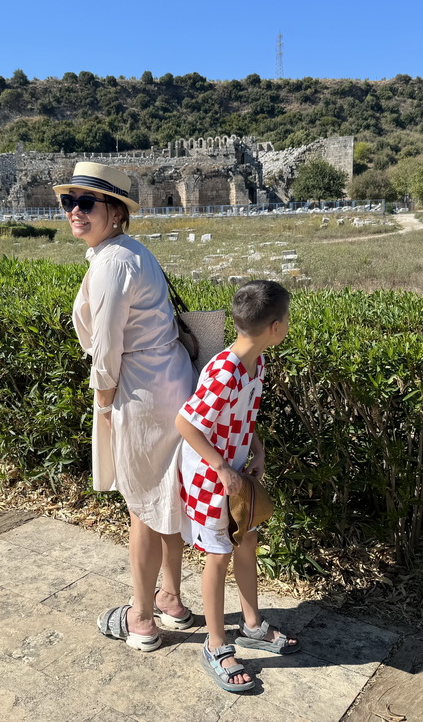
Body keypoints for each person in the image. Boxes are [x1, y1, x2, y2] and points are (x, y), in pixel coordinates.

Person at [56, 161, 196, 652]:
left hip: (140, 390)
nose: (74, 211)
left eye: (85, 203)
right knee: (168, 500)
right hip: (172, 379)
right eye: (68, 202)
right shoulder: (131, 251)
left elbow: (107, 344)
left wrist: (102, 401)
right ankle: (171, 600)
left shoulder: (111, 262)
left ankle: (140, 618)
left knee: (142, 506)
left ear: (115, 212)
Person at [175, 280, 300, 692]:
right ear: (276, 327)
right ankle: (215, 645)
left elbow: (244, 416)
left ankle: (251, 625)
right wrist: (222, 468)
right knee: (218, 557)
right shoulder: (226, 370)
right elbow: (187, 424)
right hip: (213, 480)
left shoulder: (256, 363)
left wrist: (257, 447)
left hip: (237, 473)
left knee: (247, 542)